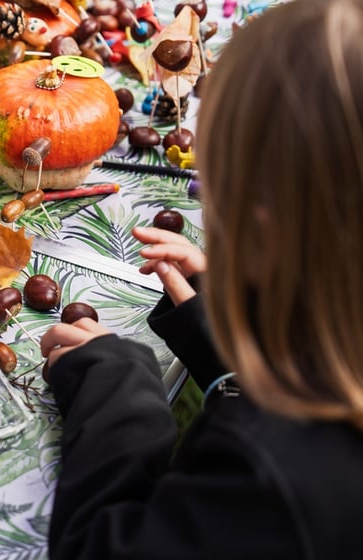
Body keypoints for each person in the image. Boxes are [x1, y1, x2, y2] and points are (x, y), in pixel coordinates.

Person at [40, 1, 363, 558]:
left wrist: (121, 392)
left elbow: (101, 549)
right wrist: (226, 340)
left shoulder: (265, 483)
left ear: (262, 234)